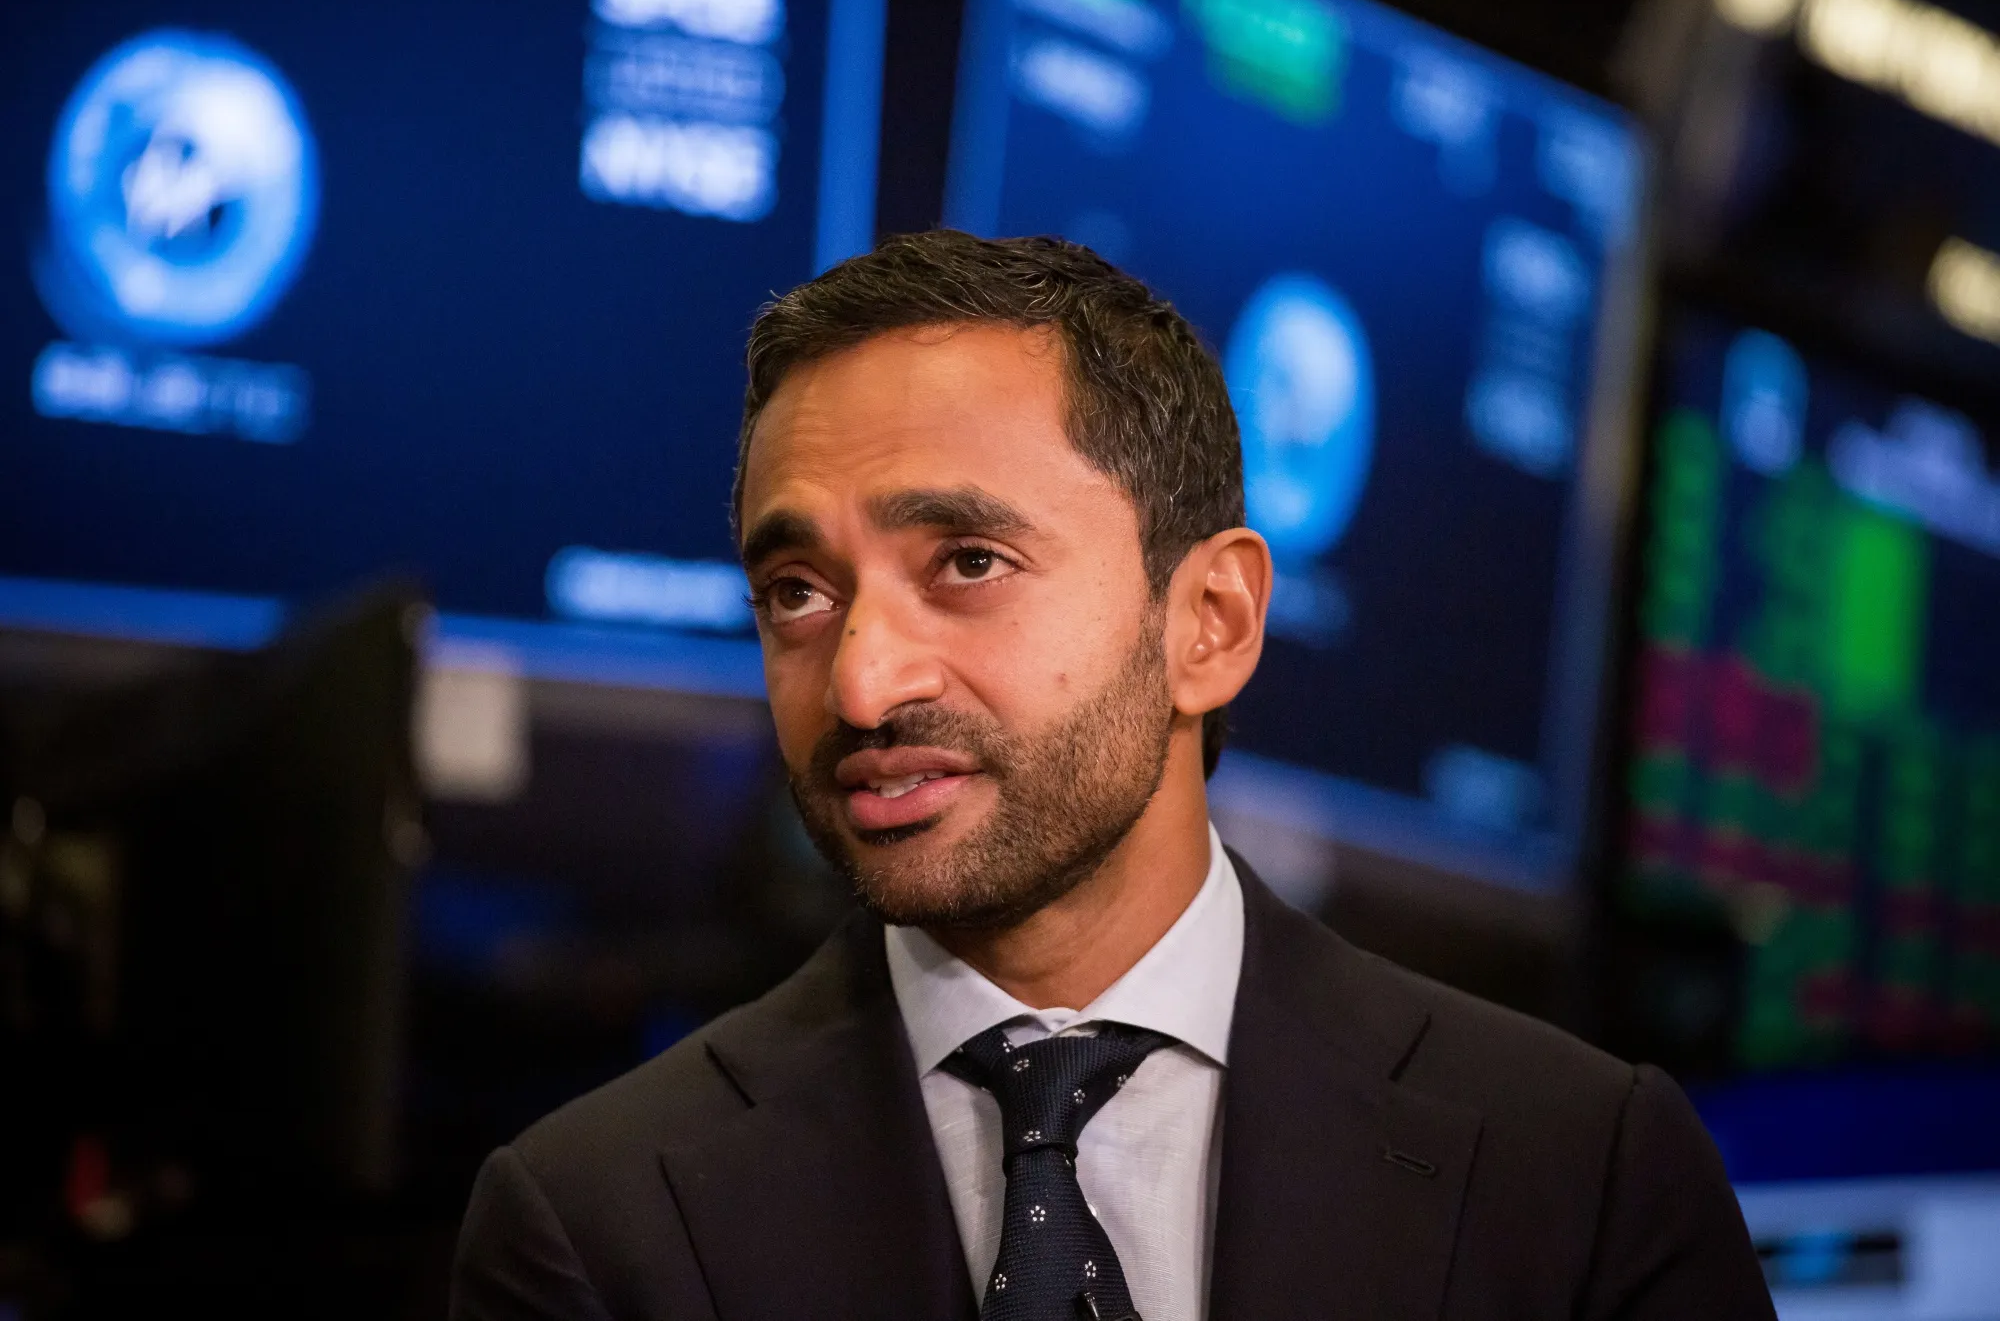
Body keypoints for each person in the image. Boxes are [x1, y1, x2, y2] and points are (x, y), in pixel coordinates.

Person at [450, 231, 1775, 1320]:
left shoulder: (1584, 1174)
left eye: (966, 562)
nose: (859, 685)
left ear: (1211, 624)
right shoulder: (592, 1225)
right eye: (797, 591)